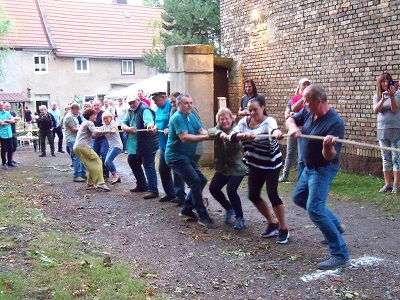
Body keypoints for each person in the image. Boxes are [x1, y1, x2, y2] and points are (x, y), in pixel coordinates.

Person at [286, 84, 349, 270]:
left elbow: (330, 156)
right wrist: (293, 128)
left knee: (314, 209)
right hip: (308, 168)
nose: (303, 104)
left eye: (306, 101)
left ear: (318, 101)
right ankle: (335, 226)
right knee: (299, 198)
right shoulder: (307, 112)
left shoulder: (335, 123)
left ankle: (340, 254)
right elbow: (291, 119)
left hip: (323, 169)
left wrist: (327, 146)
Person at [227, 96, 289, 243]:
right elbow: (231, 136)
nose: (253, 113)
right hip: (255, 164)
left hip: (271, 164)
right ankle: (272, 223)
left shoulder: (269, 122)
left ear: (263, 107)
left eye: (255, 110)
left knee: (272, 193)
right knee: (253, 195)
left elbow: (274, 130)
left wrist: (276, 134)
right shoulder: (244, 122)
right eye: (250, 110)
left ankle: (283, 229)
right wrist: (243, 135)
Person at [165, 93, 215, 228]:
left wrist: (210, 134)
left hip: (187, 156)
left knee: (202, 180)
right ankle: (202, 215)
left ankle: (187, 209)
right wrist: (205, 138)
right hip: (175, 156)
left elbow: (200, 129)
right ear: (179, 104)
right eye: (186, 103)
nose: (190, 106)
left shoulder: (191, 116)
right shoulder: (177, 118)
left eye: (191, 103)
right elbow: (184, 137)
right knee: (195, 181)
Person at [208, 108, 247, 230]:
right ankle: (228, 207)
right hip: (223, 168)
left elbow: (239, 146)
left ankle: (240, 217)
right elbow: (210, 130)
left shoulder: (238, 130)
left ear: (232, 119)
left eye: (227, 118)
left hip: (237, 167)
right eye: (222, 119)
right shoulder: (217, 130)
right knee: (213, 188)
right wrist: (220, 134)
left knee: (231, 189)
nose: (224, 121)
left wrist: (230, 138)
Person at [121, 95, 159, 199]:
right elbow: (123, 123)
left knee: (148, 165)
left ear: (138, 100)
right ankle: (142, 185)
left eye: (133, 102)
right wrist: (128, 128)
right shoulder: (129, 110)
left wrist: (149, 126)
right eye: (130, 103)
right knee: (132, 160)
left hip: (147, 143)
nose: (132, 104)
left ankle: (153, 190)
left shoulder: (144, 110)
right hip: (135, 144)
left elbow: (149, 121)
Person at [373, 72, 400, 194]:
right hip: (382, 130)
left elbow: (395, 109)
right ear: (380, 83)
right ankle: (387, 184)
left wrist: (392, 96)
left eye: (387, 81)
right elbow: (376, 110)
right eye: (383, 81)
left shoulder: (397, 93)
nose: (385, 83)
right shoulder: (377, 96)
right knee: (385, 158)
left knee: (396, 159)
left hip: (395, 129)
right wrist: (383, 99)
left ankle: (395, 185)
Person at [279, 78, 311, 182]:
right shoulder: (294, 99)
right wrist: (302, 99)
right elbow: (288, 113)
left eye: (308, 85)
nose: (306, 86)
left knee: (302, 156)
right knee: (290, 152)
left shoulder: (311, 100)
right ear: (300, 86)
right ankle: (285, 175)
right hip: (293, 129)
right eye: (304, 84)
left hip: (304, 130)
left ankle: (301, 179)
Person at [148, 91, 176, 202]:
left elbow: (173, 120)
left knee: (176, 170)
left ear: (164, 98)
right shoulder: (159, 109)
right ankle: (170, 193)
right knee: (163, 170)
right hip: (162, 144)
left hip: (171, 144)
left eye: (156, 100)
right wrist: (155, 127)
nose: (155, 103)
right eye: (153, 101)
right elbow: (158, 122)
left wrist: (169, 128)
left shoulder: (170, 106)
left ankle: (180, 195)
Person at [73, 108, 111, 191]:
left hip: (78, 147)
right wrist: (107, 131)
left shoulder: (84, 123)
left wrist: (100, 129)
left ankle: (90, 184)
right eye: (94, 115)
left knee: (90, 164)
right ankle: (101, 183)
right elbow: (95, 132)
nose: (96, 116)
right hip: (83, 147)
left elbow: (93, 135)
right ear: (90, 116)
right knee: (98, 162)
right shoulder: (89, 123)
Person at [64, 103, 86, 182]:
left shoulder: (73, 116)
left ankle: (82, 173)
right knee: (77, 156)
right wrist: (83, 128)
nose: (79, 112)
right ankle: (77, 175)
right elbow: (73, 129)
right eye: (78, 110)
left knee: (80, 156)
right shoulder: (69, 117)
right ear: (74, 109)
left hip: (75, 138)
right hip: (71, 139)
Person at [102, 111, 123, 184]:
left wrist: (104, 131)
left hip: (117, 145)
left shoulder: (113, 123)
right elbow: (98, 129)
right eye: (104, 118)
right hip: (111, 146)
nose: (105, 120)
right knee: (106, 162)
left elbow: (114, 131)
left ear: (110, 118)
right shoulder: (104, 125)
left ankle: (116, 176)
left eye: (107, 118)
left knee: (108, 160)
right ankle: (115, 175)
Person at [91, 100, 110, 179]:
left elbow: (107, 126)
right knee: (95, 155)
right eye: (94, 105)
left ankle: (106, 172)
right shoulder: (92, 114)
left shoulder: (104, 114)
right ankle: (97, 172)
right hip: (95, 138)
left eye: (97, 105)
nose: (96, 107)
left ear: (100, 106)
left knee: (103, 153)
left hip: (104, 138)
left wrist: (98, 134)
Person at [0, 101, 15, 169]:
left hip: (9, 133)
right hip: (2, 134)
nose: (1, 106)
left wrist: (6, 121)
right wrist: (8, 121)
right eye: (0, 105)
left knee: (11, 148)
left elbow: (13, 121)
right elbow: (2, 123)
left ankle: (10, 162)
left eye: (2, 105)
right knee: (4, 149)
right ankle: (4, 163)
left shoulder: (7, 113)